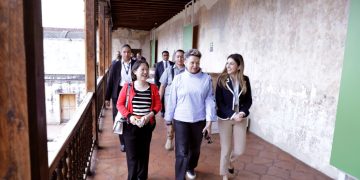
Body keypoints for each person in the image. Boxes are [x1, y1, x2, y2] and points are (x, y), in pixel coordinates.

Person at [165, 49, 216, 180]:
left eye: (197, 62)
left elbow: (209, 100)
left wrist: (209, 122)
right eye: (192, 62)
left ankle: (190, 167)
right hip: (181, 119)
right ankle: (180, 176)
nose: (195, 65)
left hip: (199, 119)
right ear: (185, 62)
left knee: (195, 149)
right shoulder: (179, 78)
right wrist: (169, 121)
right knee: (181, 151)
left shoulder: (206, 78)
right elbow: (172, 100)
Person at [117, 60, 162, 180]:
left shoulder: (152, 88)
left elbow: (158, 105)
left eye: (147, 69)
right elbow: (119, 104)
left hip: (146, 126)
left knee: (144, 154)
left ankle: (142, 177)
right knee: (132, 156)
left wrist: (149, 116)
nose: (145, 72)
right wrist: (130, 116)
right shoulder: (128, 86)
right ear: (135, 72)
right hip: (130, 126)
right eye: (142, 69)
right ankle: (131, 177)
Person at [215, 53, 252, 180]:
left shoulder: (245, 79)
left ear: (239, 66)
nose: (228, 66)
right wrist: (232, 114)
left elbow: (248, 100)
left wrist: (242, 112)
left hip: (240, 116)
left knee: (239, 150)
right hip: (225, 116)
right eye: (227, 63)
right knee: (226, 148)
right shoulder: (221, 79)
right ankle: (224, 174)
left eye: (231, 63)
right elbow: (219, 102)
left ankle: (230, 161)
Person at [105, 44, 136, 152]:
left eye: (128, 52)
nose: (126, 54)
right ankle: (122, 142)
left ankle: (130, 140)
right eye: (124, 52)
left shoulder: (136, 64)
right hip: (119, 93)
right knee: (119, 117)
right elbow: (110, 81)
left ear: (131, 53)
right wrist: (107, 98)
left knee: (131, 115)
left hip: (133, 92)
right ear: (121, 53)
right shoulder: (116, 65)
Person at [159, 49, 185, 151]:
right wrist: (158, 100)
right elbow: (162, 86)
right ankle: (169, 138)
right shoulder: (169, 70)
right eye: (178, 56)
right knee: (170, 120)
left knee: (181, 121)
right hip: (170, 101)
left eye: (182, 57)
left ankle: (179, 141)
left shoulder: (188, 71)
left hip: (183, 101)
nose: (180, 59)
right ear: (174, 58)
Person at [154, 50, 174, 118]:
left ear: (169, 56)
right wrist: (156, 84)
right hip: (161, 83)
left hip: (169, 84)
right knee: (161, 98)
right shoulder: (158, 64)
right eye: (164, 55)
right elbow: (156, 75)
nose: (166, 56)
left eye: (167, 55)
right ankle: (163, 111)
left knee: (169, 97)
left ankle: (170, 110)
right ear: (162, 56)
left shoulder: (172, 64)